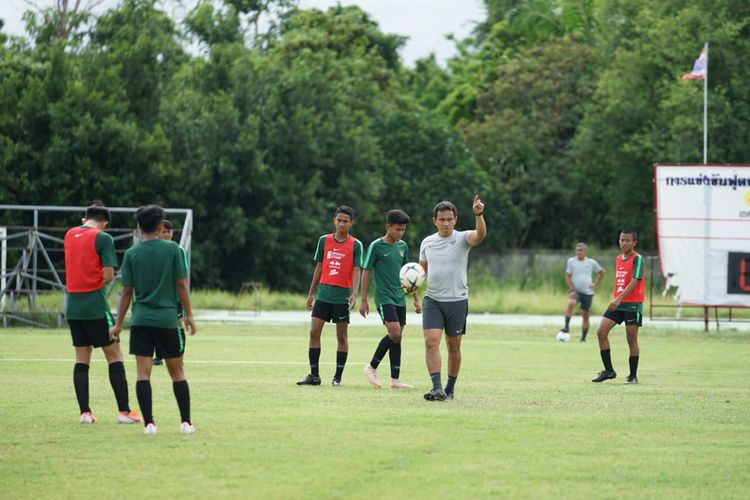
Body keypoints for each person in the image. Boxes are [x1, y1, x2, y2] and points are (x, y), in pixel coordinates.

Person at [109, 205, 198, 435]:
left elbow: (126, 292)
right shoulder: (174, 251)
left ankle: (149, 423)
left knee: (142, 374)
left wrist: (118, 323)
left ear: (139, 228)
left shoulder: (132, 254)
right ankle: (185, 423)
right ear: (161, 226)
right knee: (177, 373)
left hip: (141, 321)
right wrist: (188, 315)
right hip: (168, 320)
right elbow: (181, 285)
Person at [63, 203, 141, 424]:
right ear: (104, 223)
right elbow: (108, 275)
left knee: (81, 359)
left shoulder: (69, 235)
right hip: (95, 306)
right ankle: (124, 412)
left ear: (84, 218)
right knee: (115, 356)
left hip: (74, 306)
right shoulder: (103, 238)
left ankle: (85, 413)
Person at [419, 196, 486, 401]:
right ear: (435, 221)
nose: (446, 223)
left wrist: (478, 214)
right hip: (433, 300)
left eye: (449, 219)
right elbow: (420, 272)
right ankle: (437, 387)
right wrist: (411, 289)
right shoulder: (427, 242)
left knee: (453, 345)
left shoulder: (463, 238)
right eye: (442, 220)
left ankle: (450, 389)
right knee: (431, 342)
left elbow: (480, 235)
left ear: (455, 219)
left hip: (457, 300)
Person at [297, 206, 363, 387]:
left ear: (351, 223)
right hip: (323, 295)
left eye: (345, 221)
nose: (341, 224)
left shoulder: (356, 245)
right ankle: (314, 375)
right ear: (334, 220)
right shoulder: (324, 241)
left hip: (342, 296)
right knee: (314, 332)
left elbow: (357, 270)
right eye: (339, 220)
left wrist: (354, 294)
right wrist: (311, 293)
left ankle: (338, 377)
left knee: (341, 336)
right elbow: (319, 267)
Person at [360, 209, 421, 389]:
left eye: (403, 230)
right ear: (388, 227)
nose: (400, 233)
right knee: (395, 333)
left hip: (399, 297)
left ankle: (395, 380)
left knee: (397, 337)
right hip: (384, 297)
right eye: (397, 229)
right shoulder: (376, 246)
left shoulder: (403, 247)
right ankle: (371, 367)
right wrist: (363, 300)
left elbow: (409, 274)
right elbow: (366, 272)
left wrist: (416, 298)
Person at [591, 230, 644, 385]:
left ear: (634, 243)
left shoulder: (638, 259)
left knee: (631, 339)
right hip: (618, 304)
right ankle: (609, 371)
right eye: (621, 240)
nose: (623, 243)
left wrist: (618, 299)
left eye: (627, 240)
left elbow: (634, 281)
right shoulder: (618, 259)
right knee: (601, 331)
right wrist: (617, 298)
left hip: (632, 305)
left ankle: (632, 376)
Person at [152, 219, 185, 366]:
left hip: (174, 297)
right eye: (163, 231)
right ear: (158, 232)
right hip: (157, 296)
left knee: (177, 326)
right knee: (157, 326)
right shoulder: (152, 250)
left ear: (172, 233)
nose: (166, 234)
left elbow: (182, 275)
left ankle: (179, 357)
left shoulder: (178, 251)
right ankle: (159, 356)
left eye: (168, 232)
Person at [560, 242, 605, 342]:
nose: (579, 252)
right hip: (576, 291)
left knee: (585, 315)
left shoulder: (591, 262)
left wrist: (595, 284)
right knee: (571, 302)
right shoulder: (571, 261)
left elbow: (602, 272)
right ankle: (566, 327)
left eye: (581, 250)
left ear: (585, 251)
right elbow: (567, 275)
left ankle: (583, 338)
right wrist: (571, 288)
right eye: (577, 250)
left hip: (587, 292)